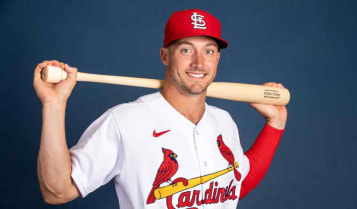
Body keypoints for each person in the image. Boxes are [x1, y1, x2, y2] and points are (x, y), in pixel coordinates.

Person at [33, 9, 287, 209]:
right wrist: (54, 104)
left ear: (217, 59)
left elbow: (234, 186)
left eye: (208, 51)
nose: (199, 63)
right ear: (165, 56)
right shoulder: (125, 121)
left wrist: (275, 125)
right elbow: (57, 191)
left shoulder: (224, 121)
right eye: (186, 49)